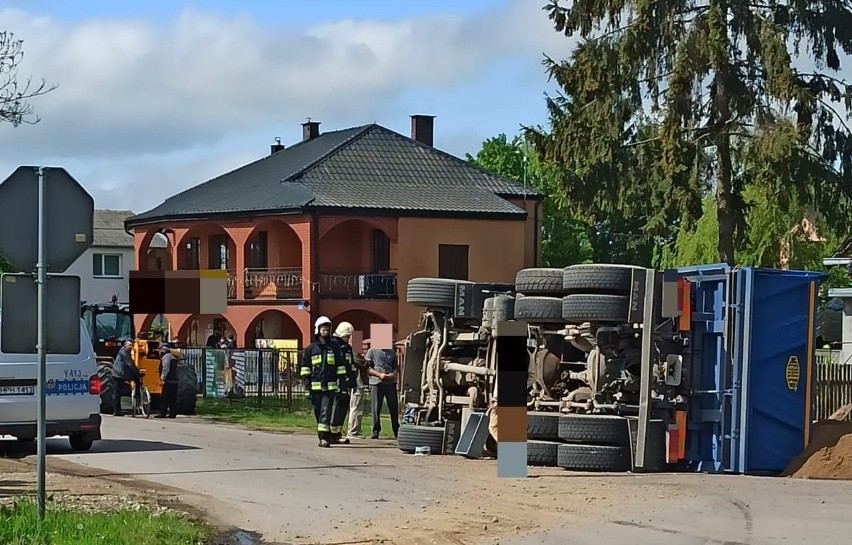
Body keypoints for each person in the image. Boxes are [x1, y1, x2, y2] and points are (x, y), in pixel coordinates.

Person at [300, 316, 347, 447]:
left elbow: (340, 366)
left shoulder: (334, 347)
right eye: (323, 328)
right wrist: (307, 386)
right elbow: (305, 369)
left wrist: (342, 384)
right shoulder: (311, 349)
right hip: (315, 388)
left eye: (327, 328)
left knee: (325, 411)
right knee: (318, 412)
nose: (325, 330)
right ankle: (325, 434)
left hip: (330, 387)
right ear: (318, 330)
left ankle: (323, 438)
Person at [330, 321, 358, 444]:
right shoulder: (333, 346)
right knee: (335, 408)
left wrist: (352, 381)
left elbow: (351, 364)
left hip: (346, 383)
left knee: (343, 409)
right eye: (348, 336)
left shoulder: (347, 348)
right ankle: (331, 434)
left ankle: (337, 434)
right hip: (337, 383)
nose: (349, 338)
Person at [366, 345, 400, 439]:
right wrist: (379, 375)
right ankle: (375, 431)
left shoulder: (391, 352)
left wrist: (392, 375)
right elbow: (368, 369)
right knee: (376, 408)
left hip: (390, 383)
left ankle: (396, 430)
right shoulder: (371, 351)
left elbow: (396, 368)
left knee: (393, 408)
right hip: (376, 383)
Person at [110, 339, 142, 417]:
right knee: (117, 393)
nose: (131, 347)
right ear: (125, 345)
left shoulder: (125, 351)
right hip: (119, 374)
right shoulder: (124, 352)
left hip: (122, 373)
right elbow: (130, 363)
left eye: (132, 345)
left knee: (118, 392)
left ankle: (137, 397)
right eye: (129, 345)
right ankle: (117, 411)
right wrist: (137, 372)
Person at [155, 342, 179, 419]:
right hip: (174, 381)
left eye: (160, 349)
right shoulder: (172, 357)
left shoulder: (166, 357)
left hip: (168, 381)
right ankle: (173, 413)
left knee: (164, 398)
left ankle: (163, 413)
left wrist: (162, 378)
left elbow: (166, 369)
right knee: (172, 398)